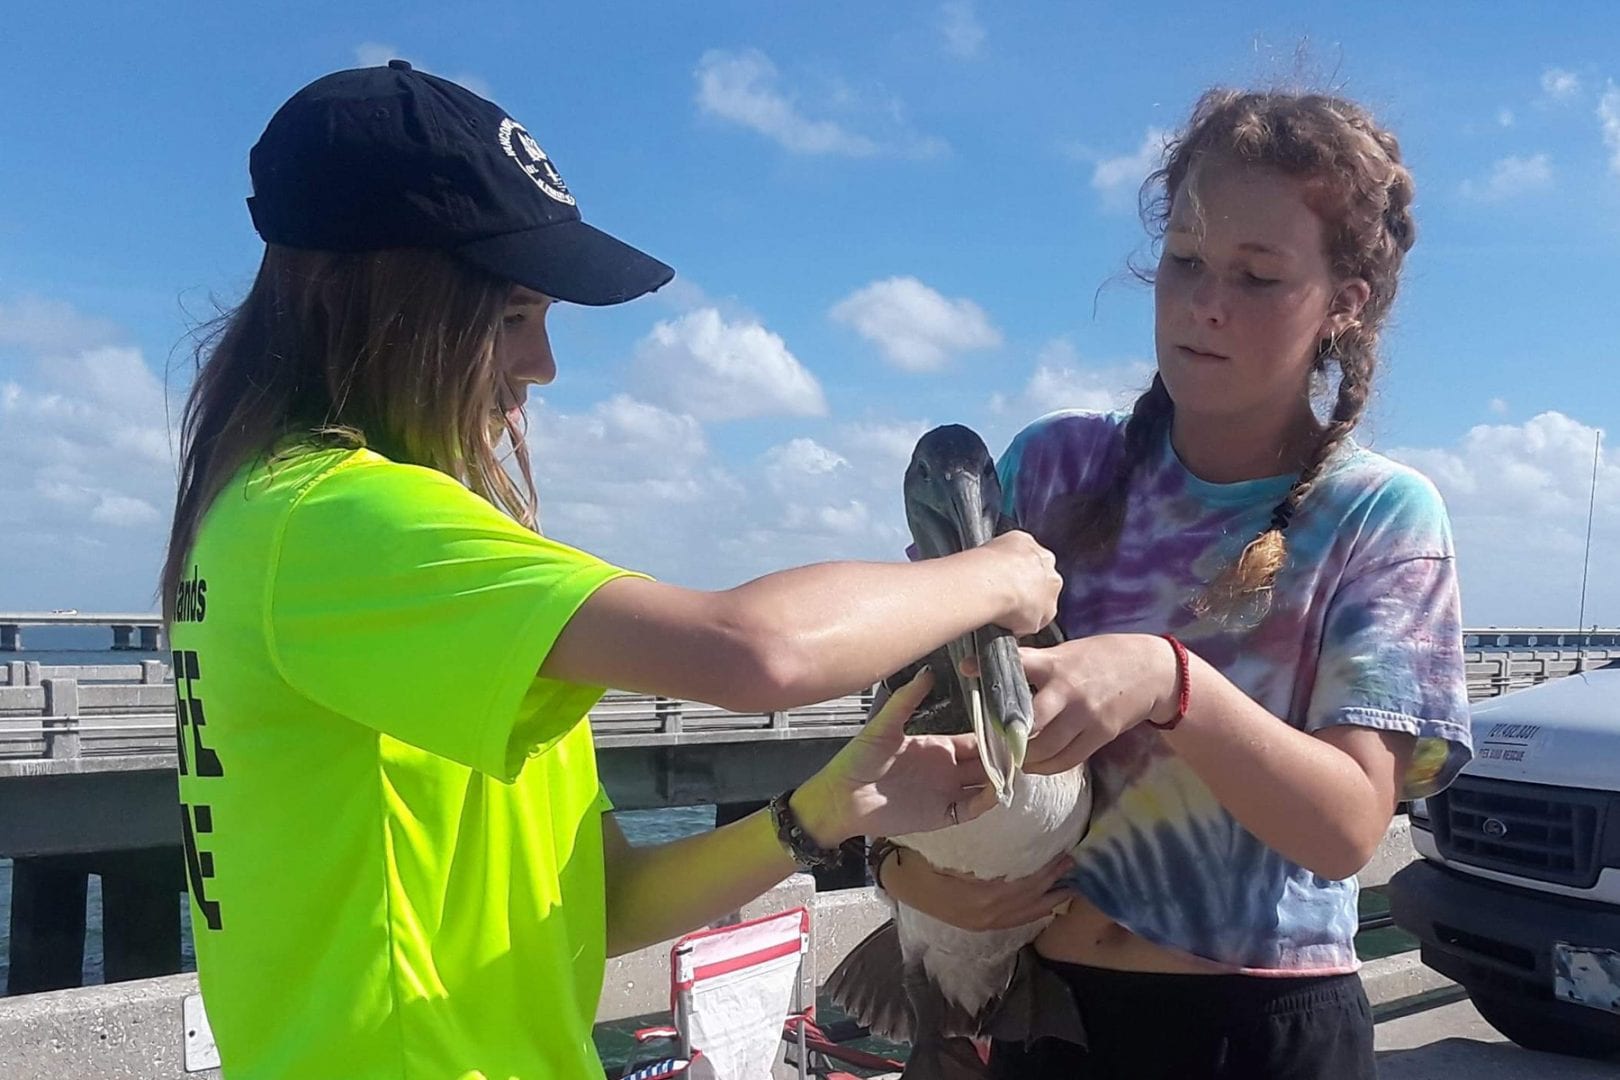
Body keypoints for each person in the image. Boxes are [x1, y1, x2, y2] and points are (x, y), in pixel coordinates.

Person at [161, 61, 1062, 1080]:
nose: (543, 364)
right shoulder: (331, 520)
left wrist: (822, 813)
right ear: (372, 299)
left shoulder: (293, 534)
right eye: (510, 317)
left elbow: (595, 903)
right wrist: (1000, 574)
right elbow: (753, 652)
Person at [876, 88, 1473, 1079]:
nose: (1206, 302)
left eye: (1258, 275)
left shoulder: (1381, 517)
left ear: (1344, 302)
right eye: (1187, 262)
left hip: (1261, 1033)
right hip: (1043, 1015)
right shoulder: (1050, 470)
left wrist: (1169, 682)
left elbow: (1346, 831)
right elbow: (915, 710)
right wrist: (909, 877)